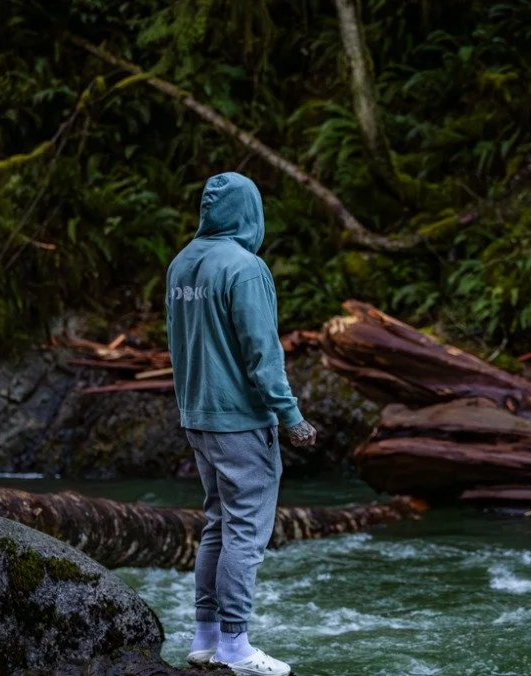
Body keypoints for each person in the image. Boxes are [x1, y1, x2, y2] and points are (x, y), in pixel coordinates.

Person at [166, 172, 316, 676]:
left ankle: (205, 637)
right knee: (246, 533)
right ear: (249, 212)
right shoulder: (245, 268)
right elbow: (263, 354)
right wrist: (290, 416)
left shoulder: (181, 263)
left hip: (197, 416)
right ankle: (235, 646)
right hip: (240, 421)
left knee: (218, 524)